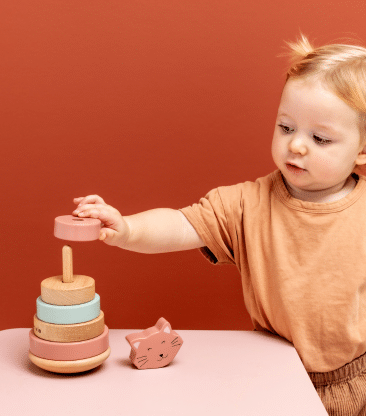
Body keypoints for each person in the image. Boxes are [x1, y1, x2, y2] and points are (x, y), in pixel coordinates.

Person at [72, 34, 366, 415]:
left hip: (358, 379)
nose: (296, 146)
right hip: (276, 376)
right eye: (286, 127)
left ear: (362, 149)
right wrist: (126, 227)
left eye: (321, 138)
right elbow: (180, 224)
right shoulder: (247, 204)